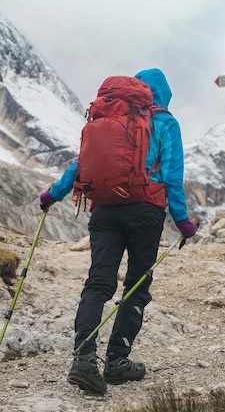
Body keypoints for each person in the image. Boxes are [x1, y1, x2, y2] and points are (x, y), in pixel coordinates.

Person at [38, 68, 197, 395]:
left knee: (98, 282)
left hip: (106, 208)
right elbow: (172, 176)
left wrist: (52, 194)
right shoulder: (166, 122)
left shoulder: (111, 117)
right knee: (137, 284)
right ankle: (117, 361)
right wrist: (183, 222)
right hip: (145, 211)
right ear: (162, 95)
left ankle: (83, 359)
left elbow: (80, 163)